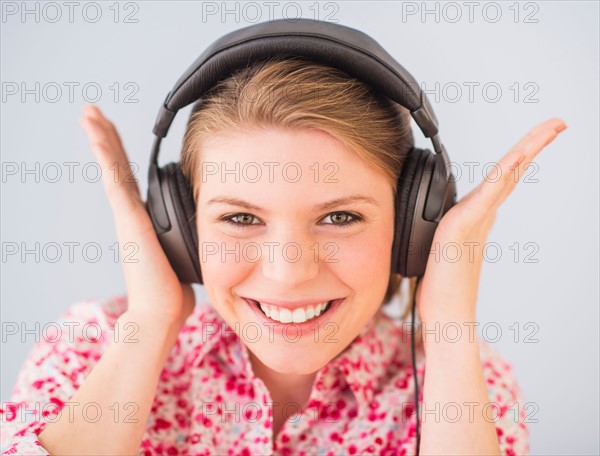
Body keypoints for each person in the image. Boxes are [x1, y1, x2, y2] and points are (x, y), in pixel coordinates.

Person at [0, 56, 566, 455]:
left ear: (411, 228)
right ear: (181, 228)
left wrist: (447, 326)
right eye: (240, 218)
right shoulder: (90, 347)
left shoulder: (465, 378)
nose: (287, 271)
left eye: (340, 217)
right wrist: (149, 322)